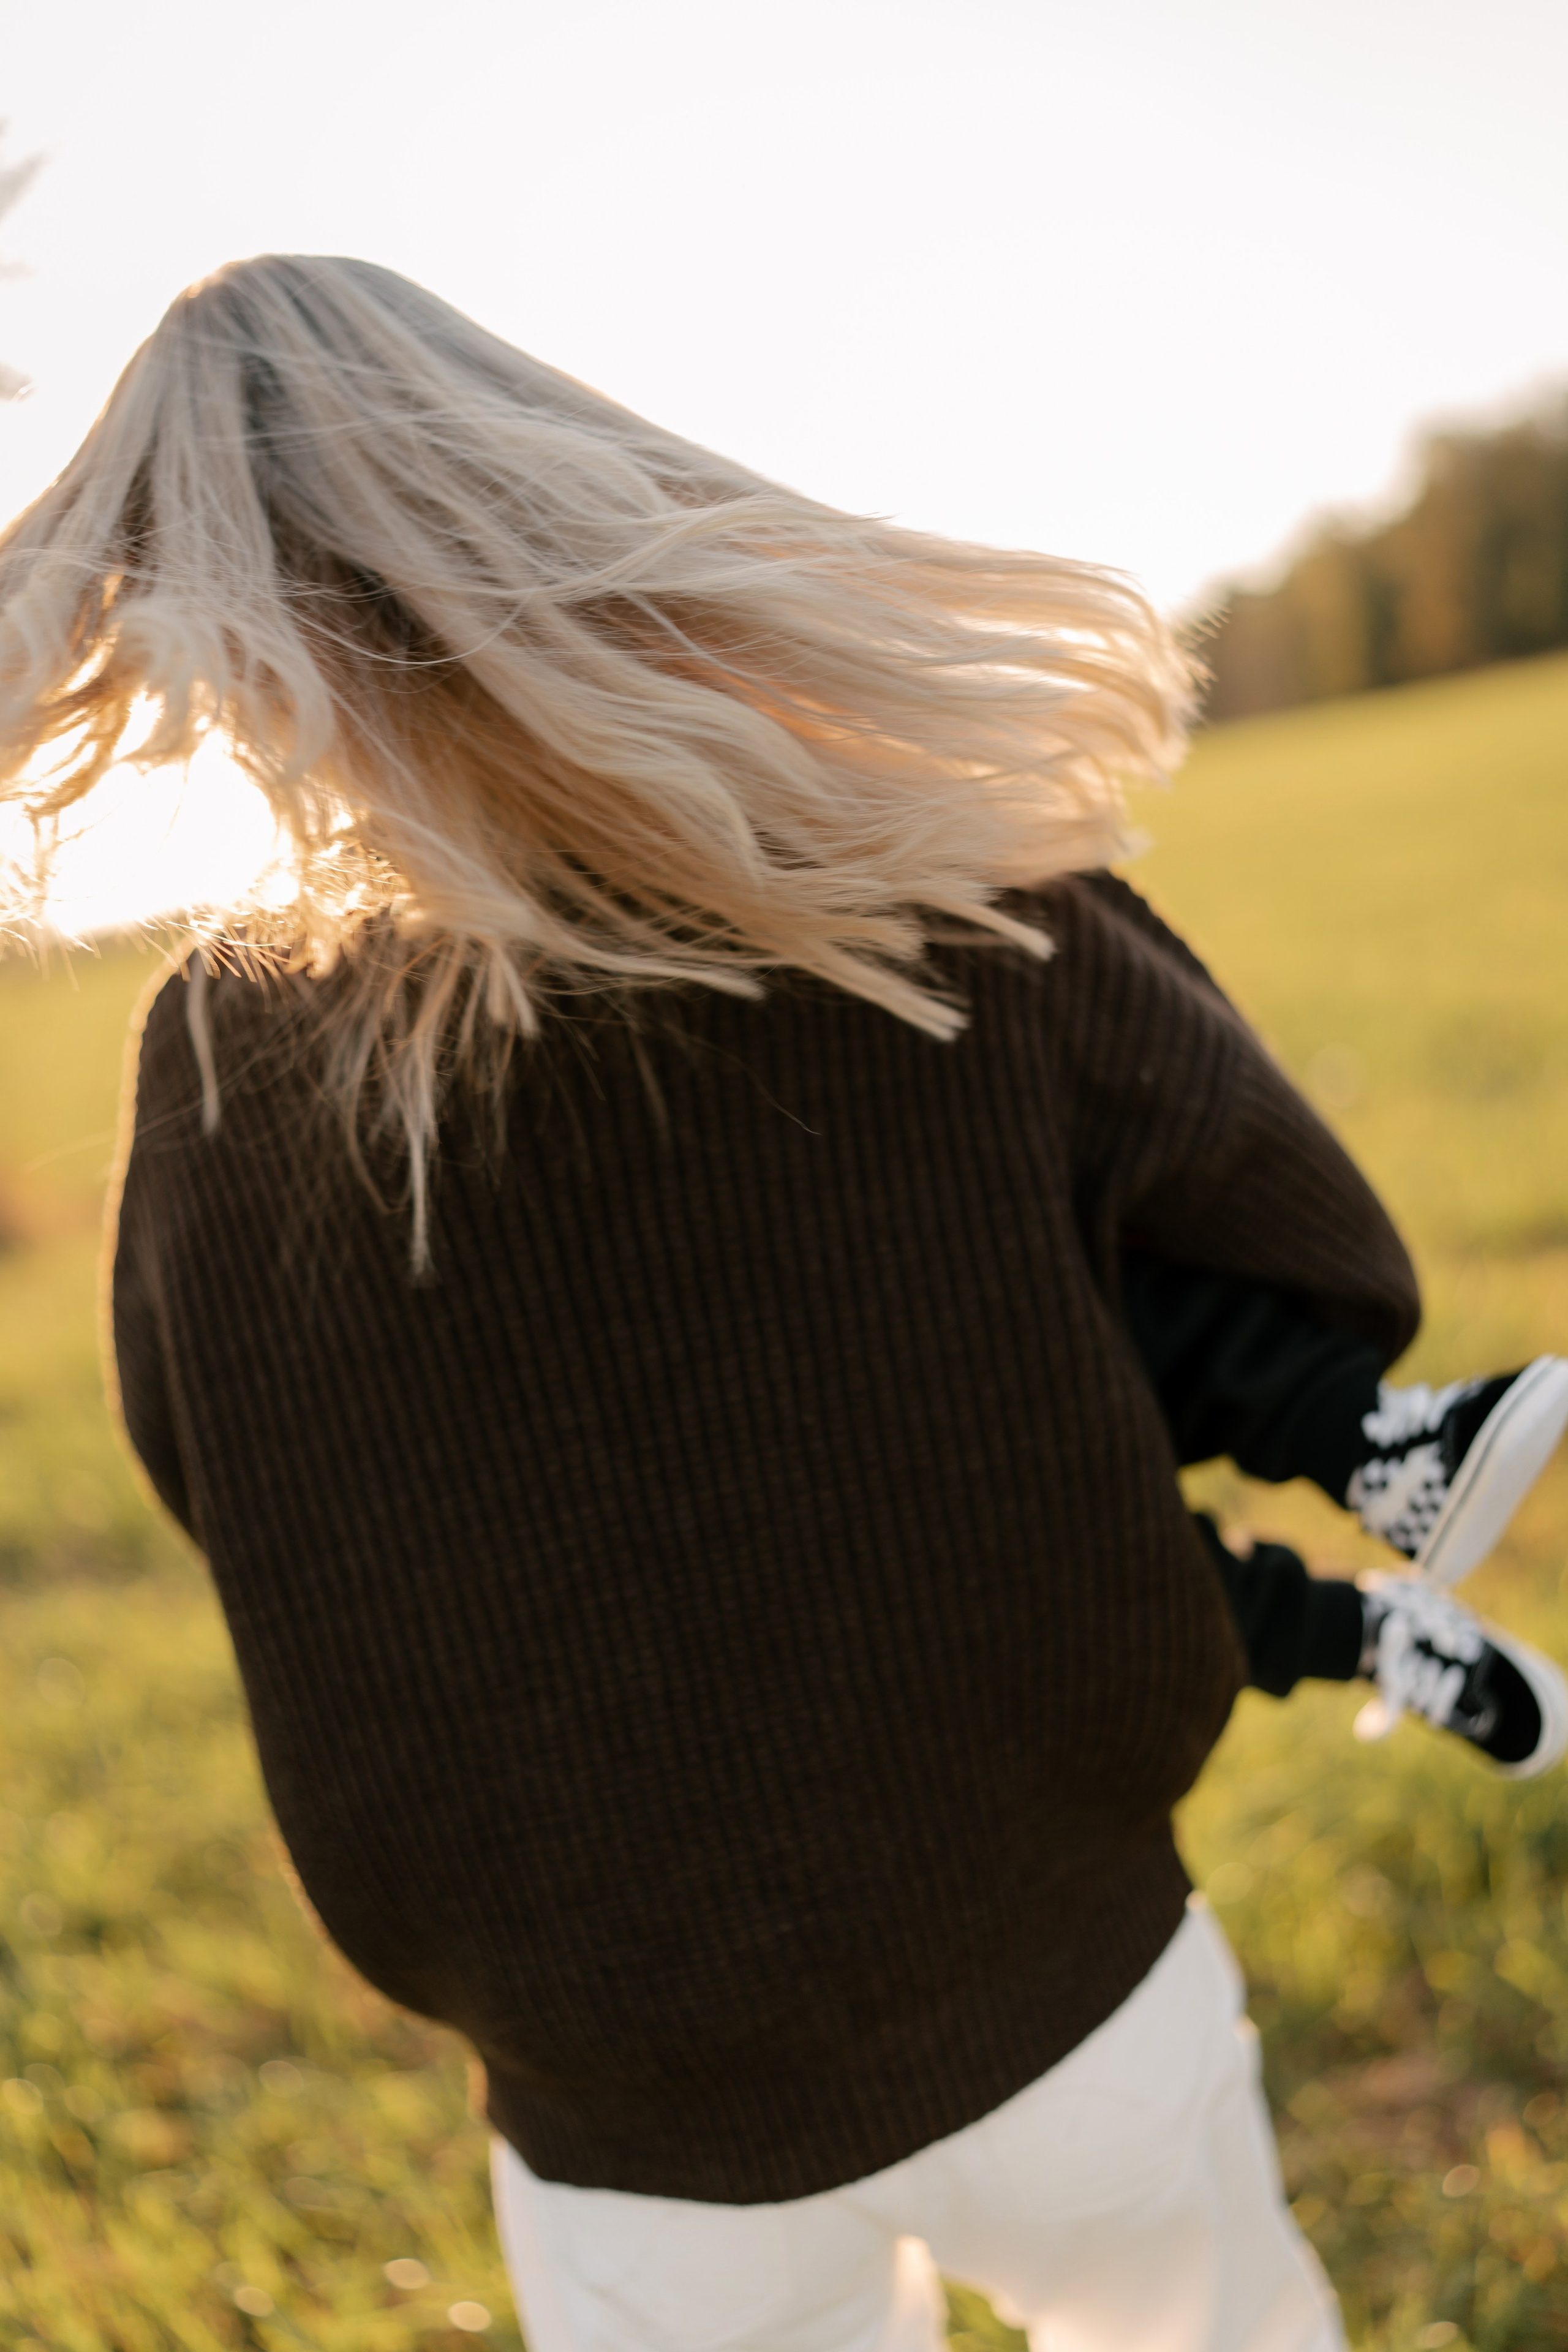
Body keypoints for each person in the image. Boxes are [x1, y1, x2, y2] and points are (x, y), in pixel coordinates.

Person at [0, 252, 1558, 2352]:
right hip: (1065, 1988)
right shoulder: (900, 880)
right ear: (562, 486)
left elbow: (214, 1476)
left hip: (622, 2119)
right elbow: (1295, 1242)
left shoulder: (211, 1062)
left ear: (202, 629)